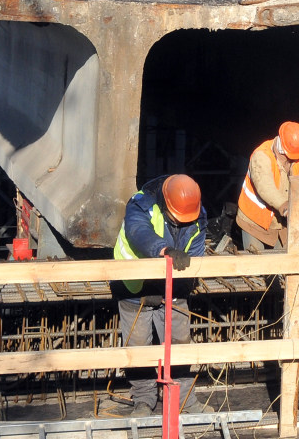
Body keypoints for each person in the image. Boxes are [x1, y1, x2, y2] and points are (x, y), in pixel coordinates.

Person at [113, 173, 207, 416]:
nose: (181, 224)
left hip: (173, 287)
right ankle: (144, 399)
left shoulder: (195, 214)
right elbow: (138, 232)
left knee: (179, 342)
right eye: (177, 219)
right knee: (138, 345)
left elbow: (195, 252)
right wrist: (164, 250)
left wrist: (184, 281)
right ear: (166, 204)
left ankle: (183, 397)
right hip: (135, 286)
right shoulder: (141, 204)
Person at [236, 120, 299, 253]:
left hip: (281, 224)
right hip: (254, 222)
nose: (291, 159)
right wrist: (286, 208)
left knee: (284, 266)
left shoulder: (297, 155)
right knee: (256, 265)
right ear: (281, 145)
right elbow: (266, 187)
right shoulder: (262, 156)